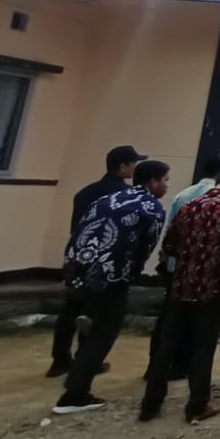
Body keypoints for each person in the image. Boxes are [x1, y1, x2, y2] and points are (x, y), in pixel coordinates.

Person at [52, 159, 166, 413]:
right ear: (153, 181)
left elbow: (80, 230)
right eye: (165, 180)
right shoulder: (151, 208)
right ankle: (74, 394)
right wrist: (129, 276)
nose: (167, 186)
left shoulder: (107, 199)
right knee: (104, 333)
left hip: (77, 268)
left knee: (87, 319)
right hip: (110, 276)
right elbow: (144, 249)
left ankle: (73, 358)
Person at [140, 171, 220, 424]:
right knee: (203, 345)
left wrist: (188, 256)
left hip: (181, 284)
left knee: (167, 344)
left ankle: (150, 405)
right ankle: (197, 404)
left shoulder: (189, 205)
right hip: (212, 285)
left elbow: (168, 244)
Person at [49, 144, 144, 377]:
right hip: (105, 261)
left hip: (78, 257)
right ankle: (86, 359)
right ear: (123, 166)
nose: (134, 168)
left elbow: (75, 228)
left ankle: (60, 359)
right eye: (133, 164)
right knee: (96, 313)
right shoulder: (125, 196)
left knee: (71, 309)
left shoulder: (85, 193)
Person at [146, 153, 220, 382]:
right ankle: (183, 367)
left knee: (169, 318)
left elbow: (170, 233)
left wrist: (168, 260)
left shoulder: (183, 195)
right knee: (199, 322)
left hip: (177, 266)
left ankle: (156, 366)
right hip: (206, 270)